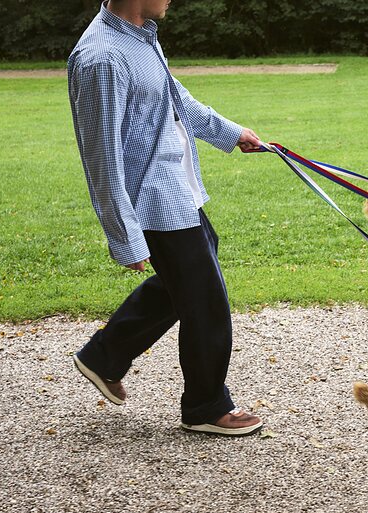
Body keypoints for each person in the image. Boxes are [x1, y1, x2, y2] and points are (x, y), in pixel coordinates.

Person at [67, 0, 265, 436]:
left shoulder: (140, 38)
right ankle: (206, 406)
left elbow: (179, 102)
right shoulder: (101, 56)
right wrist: (125, 235)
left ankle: (104, 355)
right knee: (206, 299)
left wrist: (232, 133)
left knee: (186, 285)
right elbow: (101, 157)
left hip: (177, 190)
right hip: (152, 200)